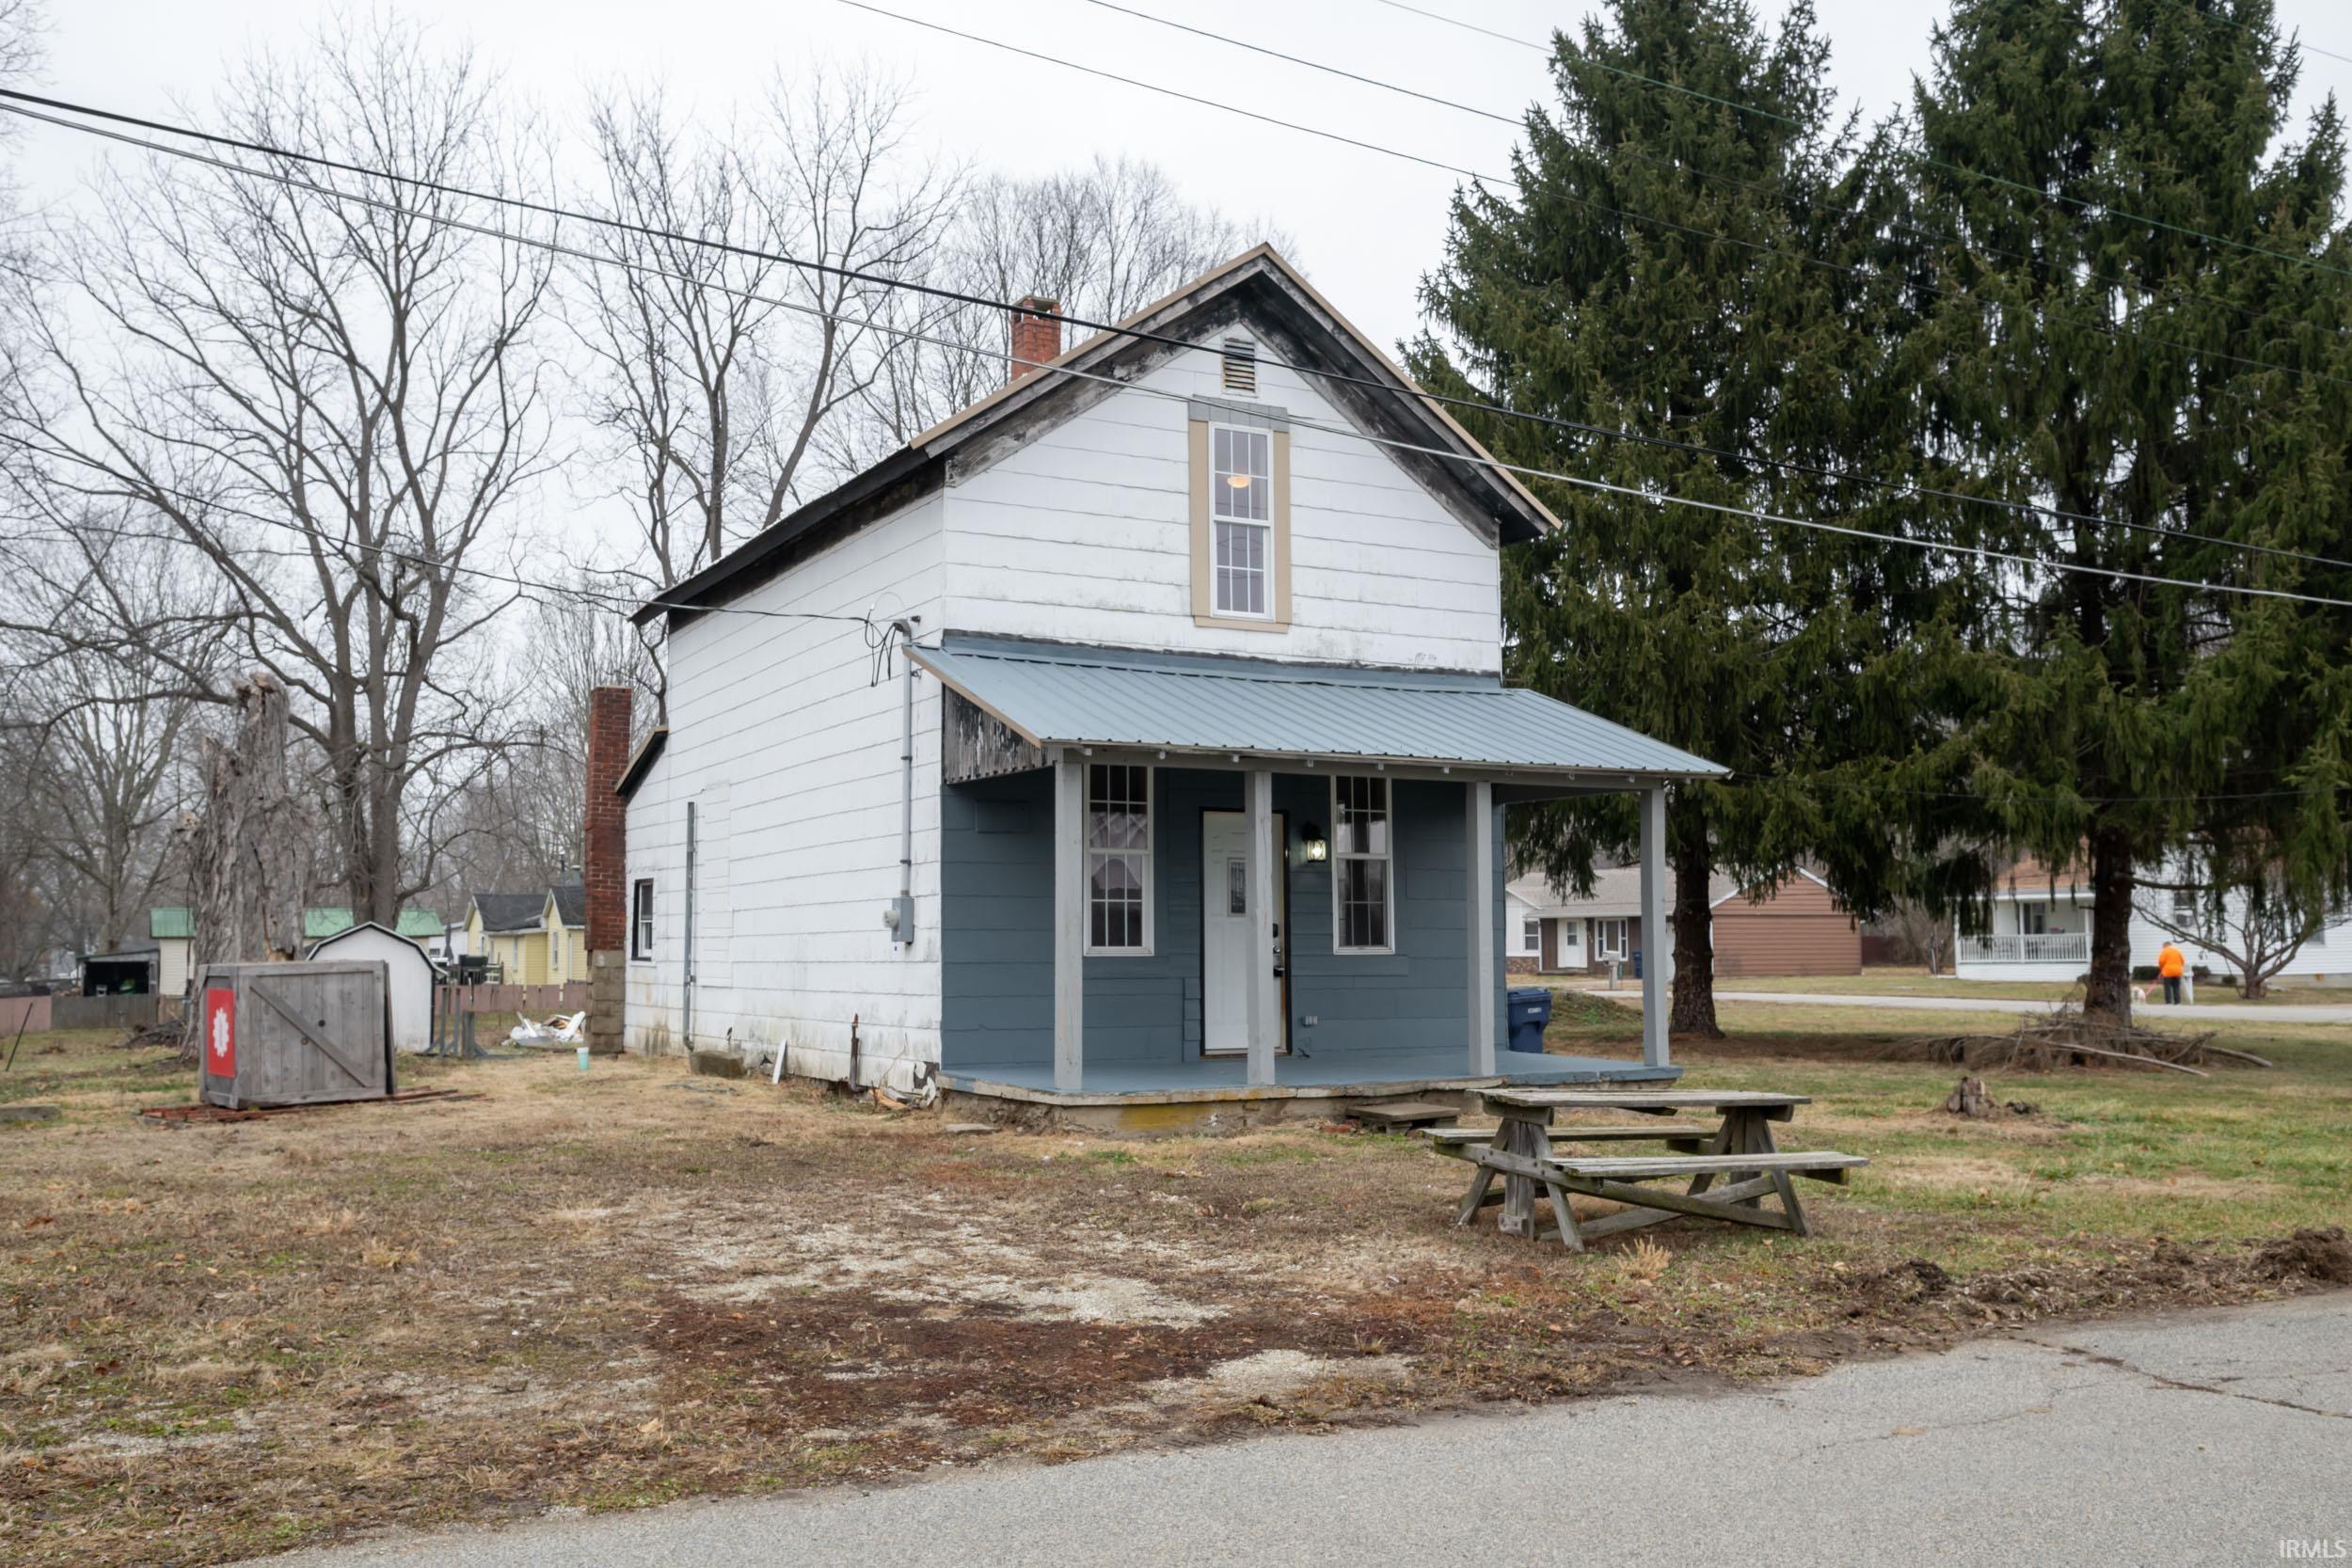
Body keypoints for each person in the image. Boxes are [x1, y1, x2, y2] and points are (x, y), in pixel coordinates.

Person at [2157, 941, 2186, 1005]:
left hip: (2168, 972)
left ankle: (2168, 1001)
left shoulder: (2165, 951)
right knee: (2176, 987)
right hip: (2177, 972)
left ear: (2165, 946)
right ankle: (2177, 1002)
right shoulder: (2177, 951)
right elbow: (2183, 961)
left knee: (2167, 987)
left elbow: (2161, 961)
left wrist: (2162, 968)